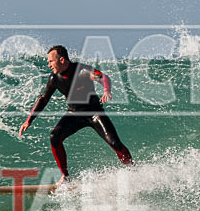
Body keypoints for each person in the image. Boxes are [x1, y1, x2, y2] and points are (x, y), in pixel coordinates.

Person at [19, 45, 133, 185]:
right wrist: (29, 120)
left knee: (115, 143)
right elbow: (43, 98)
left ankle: (133, 170)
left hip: (94, 113)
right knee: (54, 137)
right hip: (74, 114)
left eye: (50, 61)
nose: (48, 65)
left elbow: (103, 77)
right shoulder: (54, 78)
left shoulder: (83, 71)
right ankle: (65, 177)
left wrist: (106, 90)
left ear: (61, 60)